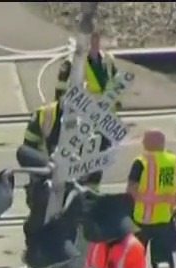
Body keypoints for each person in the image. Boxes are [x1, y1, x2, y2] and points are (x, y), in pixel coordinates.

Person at [55, 31, 122, 191]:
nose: (95, 42)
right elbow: (61, 91)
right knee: (80, 157)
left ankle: (92, 190)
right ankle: (77, 189)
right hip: (82, 119)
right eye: (91, 38)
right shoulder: (72, 63)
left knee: (99, 157)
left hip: (104, 120)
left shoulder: (107, 59)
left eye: (97, 38)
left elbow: (115, 84)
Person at [128, 129, 176, 268]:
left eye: (144, 140)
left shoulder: (140, 162)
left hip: (140, 220)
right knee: (163, 260)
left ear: (147, 143)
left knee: (135, 259)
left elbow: (131, 191)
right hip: (165, 220)